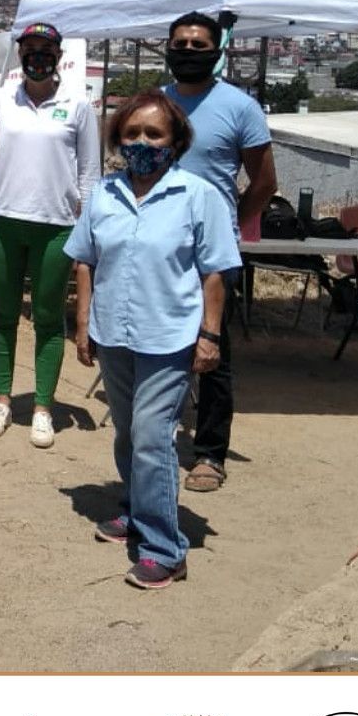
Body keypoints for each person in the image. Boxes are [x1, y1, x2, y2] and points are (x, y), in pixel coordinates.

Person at [68, 91, 242, 589]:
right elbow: (86, 261)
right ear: (118, 140)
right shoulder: (105, 193)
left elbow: (214, 272)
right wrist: (84, 325)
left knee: (151, 436)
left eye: (154, 134)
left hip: (170, 337)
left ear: (175, 141)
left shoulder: (198, 194)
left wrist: (209, 336)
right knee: (126, 433)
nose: (142, 143)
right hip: (115, 333)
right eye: (132, 134)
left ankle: (166, 547)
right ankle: (136, 509)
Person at [0, 21, 100, 448]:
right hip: (4, 219)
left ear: (58, 56)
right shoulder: (2, 95)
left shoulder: (78, 104)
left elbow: (90, 174)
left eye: (46, 50)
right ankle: (2, 400)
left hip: (56, 226)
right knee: (2, 314)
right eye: (30, 49)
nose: (37, 56)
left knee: (46, 319)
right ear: (20, 54)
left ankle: (43, 407)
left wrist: (86, 231)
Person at [162, 11, 277, 493]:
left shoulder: (239, 106)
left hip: (211, 253)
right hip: (159, 245)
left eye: (198, 45)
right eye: (180, 45)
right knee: (158, 342)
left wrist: (227, 227)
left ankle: (210, 452)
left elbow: (265, 184)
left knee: (212, 348)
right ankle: (158, 436)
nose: (188, 52)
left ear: (217, 50)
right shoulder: (156, 105)